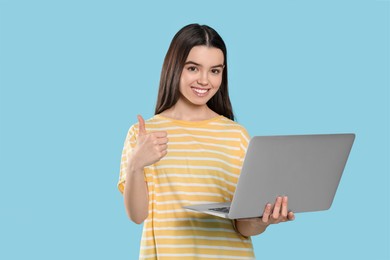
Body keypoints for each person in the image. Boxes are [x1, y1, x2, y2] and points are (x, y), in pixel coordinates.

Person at [117, 23, 295, 260]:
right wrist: (135, 165)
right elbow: (137, 215)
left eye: (215, 71)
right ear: (174, 67)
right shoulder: (144, 134)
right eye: (193, 68)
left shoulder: (237, 136)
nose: (204, 80)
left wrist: (263, 221)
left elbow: (243, 226)